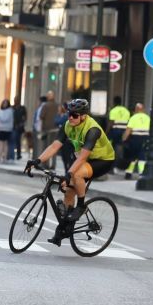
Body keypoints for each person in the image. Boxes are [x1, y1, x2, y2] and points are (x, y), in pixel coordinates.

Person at [28, 98, 116, 246]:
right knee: (68, 191)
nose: (70, 117)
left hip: (103, 160)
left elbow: (82, 158)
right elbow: (55, 146)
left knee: (76, 174)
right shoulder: (68, 125)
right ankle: (64, 229)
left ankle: (81, 205)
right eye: (69, 114)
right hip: (85, 160)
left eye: (74, 115)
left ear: (83, 116)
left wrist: (69, 174)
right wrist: (37, 160)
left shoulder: (92, 129)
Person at [122, 103, 151, 178]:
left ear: (136, 109)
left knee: (133, 156)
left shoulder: (133, 117)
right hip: (145, 139)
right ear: (143, 109)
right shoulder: (148, 118)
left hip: (135, 138)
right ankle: (141, 173)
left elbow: (128, 130)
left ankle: (129, 173)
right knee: (142, 155)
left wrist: (124, 139)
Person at [107, 95, 131, 167]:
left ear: (114, 102)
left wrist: (106, 131)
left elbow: (111, 123)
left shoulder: (113, 110)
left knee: (112, 147)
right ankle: (119, 163)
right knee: (121, 146)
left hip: (116, 131)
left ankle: (112, 165)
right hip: (124, 131)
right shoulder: (126, 111)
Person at [36, 91, 58, 157]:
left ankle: (46, 163)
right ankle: (53, 164)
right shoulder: (57, 105)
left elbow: (41, 116)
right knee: (54, 147)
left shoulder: (45, 105)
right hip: (55, 128)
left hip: (46, 129)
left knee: (46, 147)